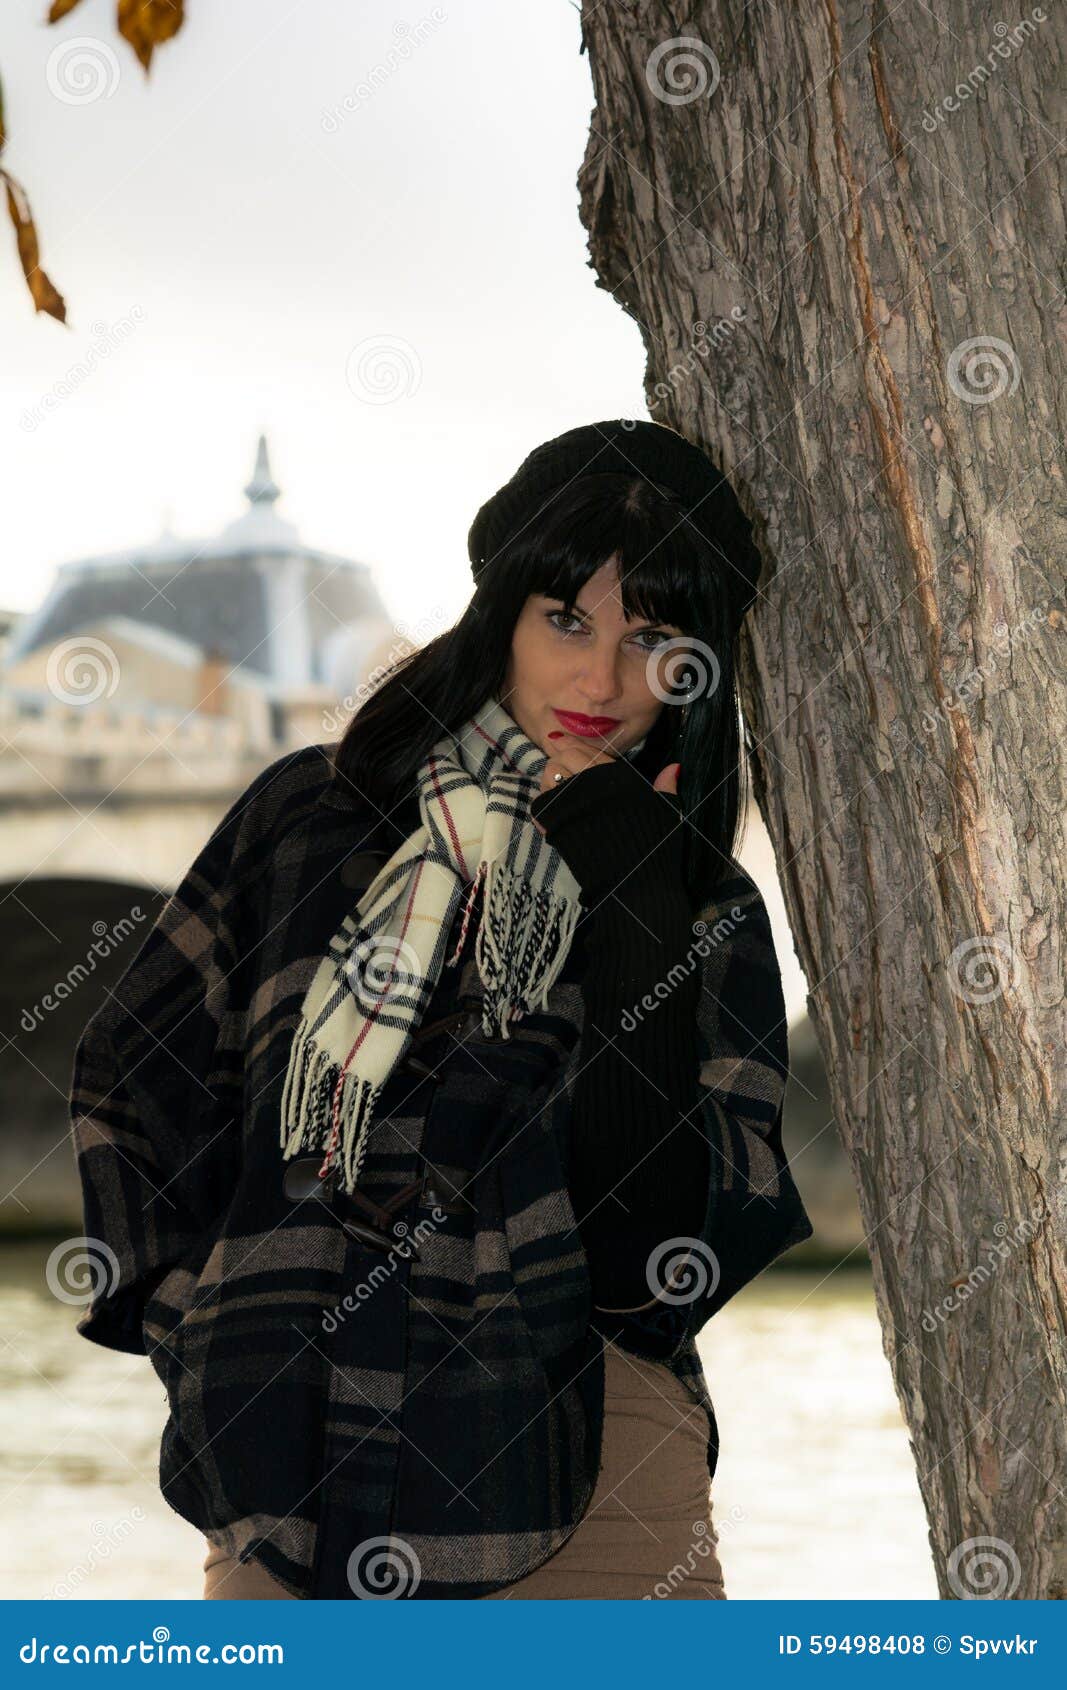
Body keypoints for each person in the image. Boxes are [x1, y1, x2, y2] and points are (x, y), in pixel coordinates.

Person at [68, 419, 813, 1599]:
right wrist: (208, 1330)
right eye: (565, 619)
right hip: (294, 1460)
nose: (601, 680)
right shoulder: (308, 821)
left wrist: (626, 895)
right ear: (501, 612)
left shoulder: (698, 903)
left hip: (591, 1463)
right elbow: (132, 1085)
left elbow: (649, 1261)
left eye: (652, 639)